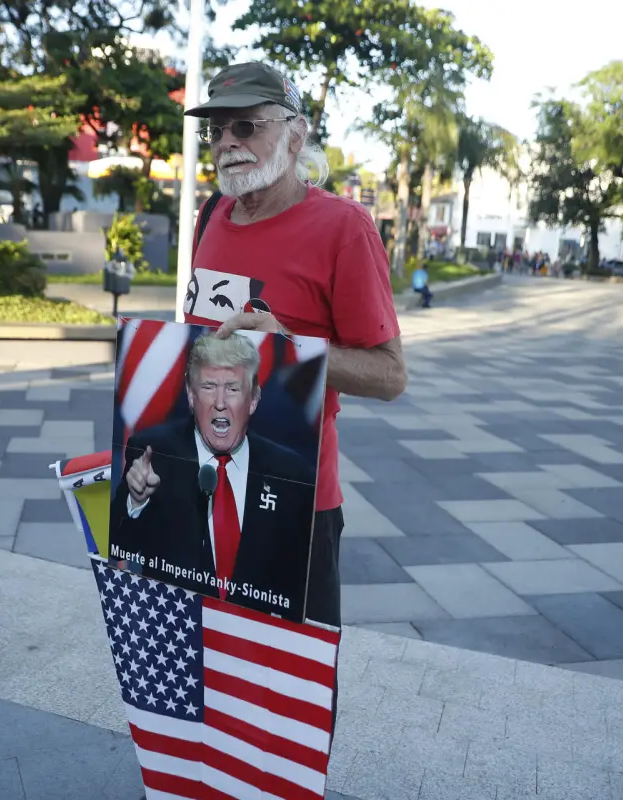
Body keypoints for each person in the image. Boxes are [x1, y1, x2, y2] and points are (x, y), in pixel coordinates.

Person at [177, 61, 407, 635]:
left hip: (293, 502)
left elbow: (389, 375)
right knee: (209, 673)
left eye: (247, 127)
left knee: (284, 693)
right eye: (219, 130)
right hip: (201, 488)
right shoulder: (212, 214)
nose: (228, 142)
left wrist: (289, 348)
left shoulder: (344, 227)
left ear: (295, 135)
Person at [110, 332, 317, 619]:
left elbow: (300, 585)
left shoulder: (292, 474)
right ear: (191, 396)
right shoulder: (151, 454)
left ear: (254, 399)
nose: (220, 403)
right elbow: (120, 546)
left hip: (254, 643)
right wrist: (135, 502)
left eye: (232, 389)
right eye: (208, 387)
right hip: (175, 633)